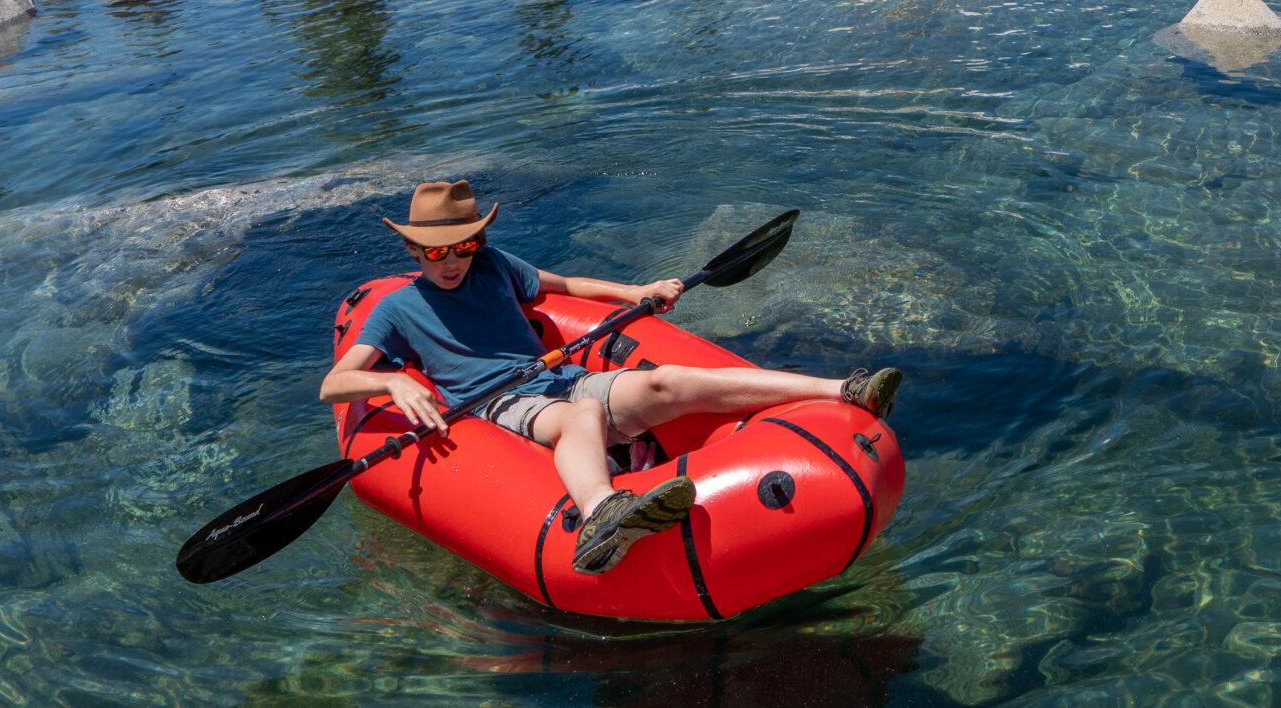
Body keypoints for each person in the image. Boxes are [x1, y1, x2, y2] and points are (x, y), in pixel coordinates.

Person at [321, 181, 902, 576]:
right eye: (436, 251)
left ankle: (842, 391)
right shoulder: (398, 309)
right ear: (413, 249)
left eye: (465, 245)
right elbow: (334, 384)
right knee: (582, 417)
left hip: (562, 376)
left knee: (667, 381)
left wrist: (636, 292)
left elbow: (563, 286)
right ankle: (603, 514)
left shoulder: (494, 266)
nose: (452, 260)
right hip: (497, 404)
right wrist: (390, 384)